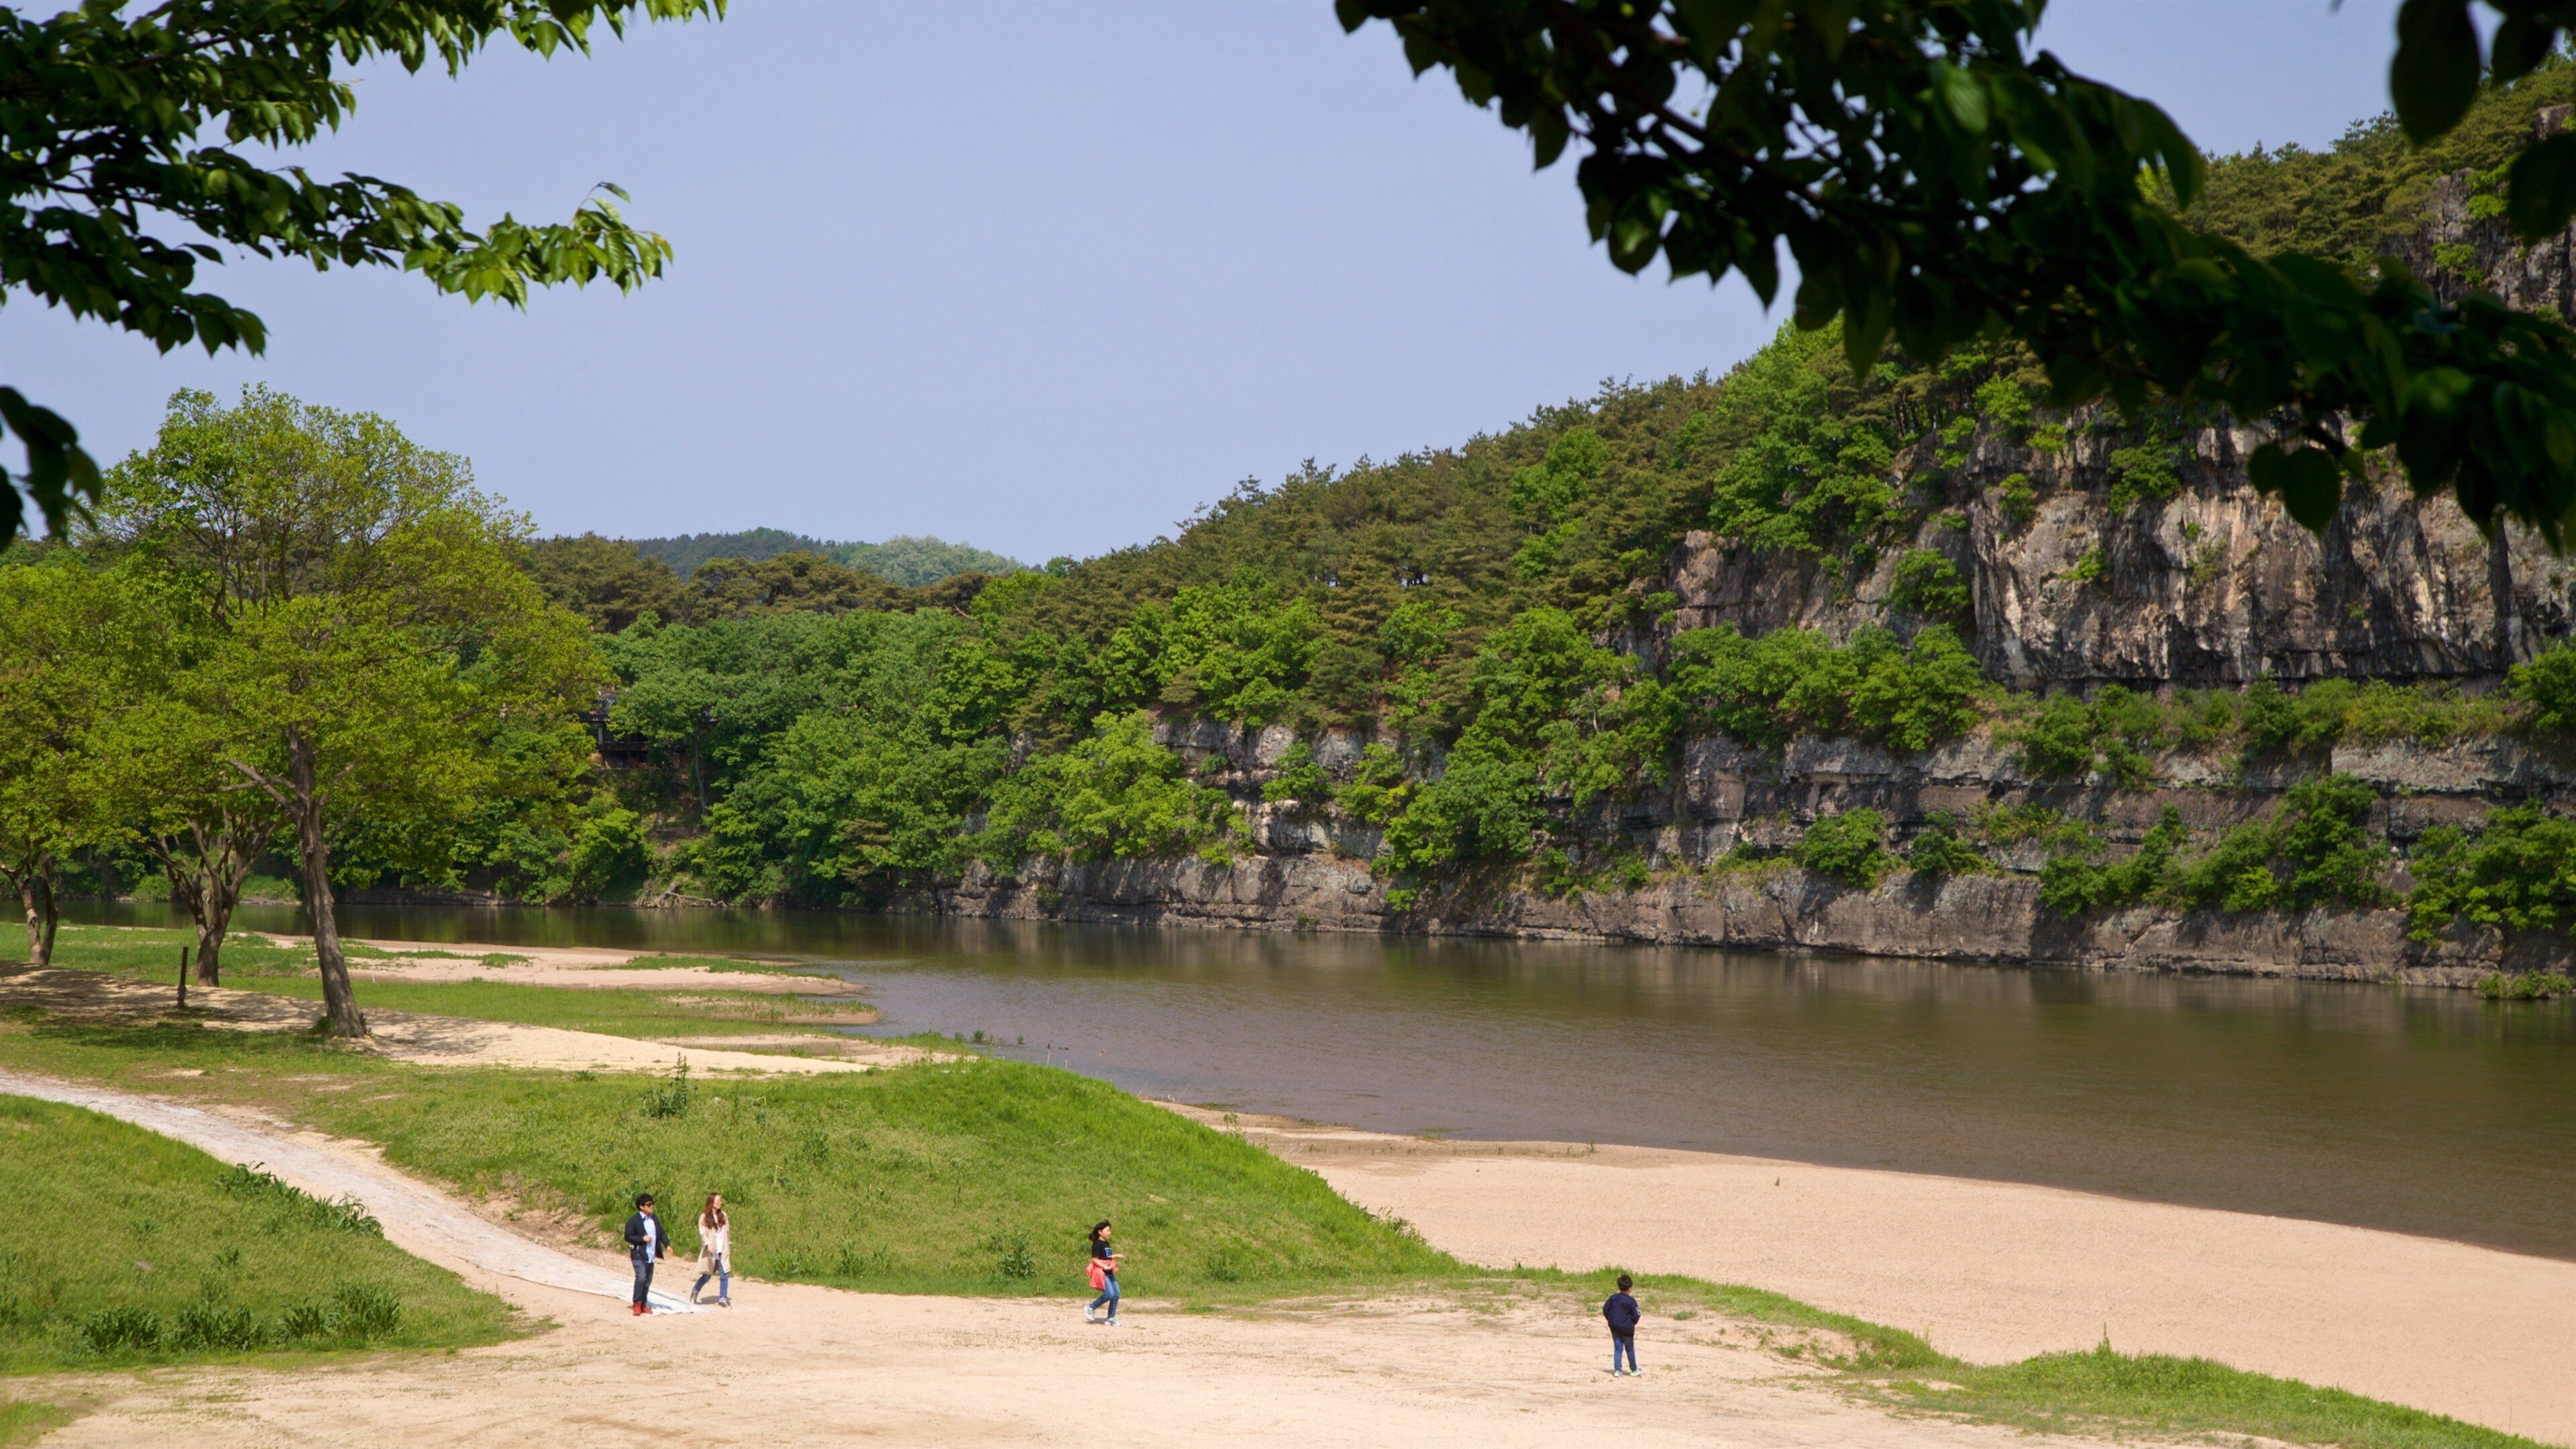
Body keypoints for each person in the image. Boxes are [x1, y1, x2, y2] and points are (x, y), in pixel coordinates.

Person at [623, 1192, 669, 1316]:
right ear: (641, 1207)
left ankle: (644, 1303)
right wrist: (642, 1239)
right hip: (638, 1254)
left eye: (652, 1204)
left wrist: (667, 1245)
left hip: (651, 1255)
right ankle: (637, 1303)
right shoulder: (634, 1221)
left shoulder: (654, 1219)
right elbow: (628, 1236)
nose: (652, 1206)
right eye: (649, 1205)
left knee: (648, 1281)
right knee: (641, 1277)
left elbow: (661, 1233)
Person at [692, 1192, 732, 1307]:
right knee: (708, 1274)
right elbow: (703, 1233)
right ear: (712, 1202)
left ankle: (723, 1298)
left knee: (724, 1274)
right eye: (718, 1201)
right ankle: (695, 1291)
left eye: (720, 1201)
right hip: (713, 1251)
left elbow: (727, 1231)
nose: (720, 1203)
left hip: (722, 1250)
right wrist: (708, 1245)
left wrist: (728, 1245)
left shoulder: (723, 1216)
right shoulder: (704, 1217)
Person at [1084, 1220, 1124, 1326]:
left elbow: (1106, 1257)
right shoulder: (1097, 1243)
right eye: (1108, 1230)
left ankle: (1111, 1318)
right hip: (1102, 1272)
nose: (1110, 1232)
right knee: (1109, 1294)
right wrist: (1105, 1267)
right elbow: (1094, 1259)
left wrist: (1116, 1256)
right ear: (1100, 1232)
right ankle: (1091, 1307)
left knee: (1116, 1294)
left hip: (1110, 1272)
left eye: (1110, 1230)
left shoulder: (1106, 1243)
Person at [1603, 1273, 1641, 1376]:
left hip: (1615, 1327)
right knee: (1629, 1348)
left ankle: (1618, 1370)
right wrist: (1632, 1322)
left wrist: (1611, 1320)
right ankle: (1634, 1370)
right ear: (1630, 1288)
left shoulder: (1613, 1298)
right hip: (1627, 1329)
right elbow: (1637, 1314)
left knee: (1618, 1348)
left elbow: (1605, 1309)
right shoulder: (1631, 1301)